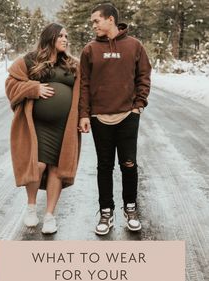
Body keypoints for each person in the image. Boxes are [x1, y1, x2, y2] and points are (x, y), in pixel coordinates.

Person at [79, 3, 151, 235]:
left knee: (128, 164)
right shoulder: (90, 49)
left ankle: (130, 209)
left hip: (127, 115)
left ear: (110, 20)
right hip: (100, 117)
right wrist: (84, 114)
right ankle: (106, 212)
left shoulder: (134, 46)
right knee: (104, 166)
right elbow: (84, 84)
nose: (94, 25)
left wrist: (138, 106)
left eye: (96, 21)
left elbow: (144, 76)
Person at [5, 23, 80, 234]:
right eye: (61, 36)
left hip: (63, 126)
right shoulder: (29, 60)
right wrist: (33, 88)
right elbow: (10, 84)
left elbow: (83, 92)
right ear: (50, 38)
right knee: (36, 164)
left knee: (57, 167)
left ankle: (49, 215)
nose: (66, 39)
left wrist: (83, 117)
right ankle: (31, 206)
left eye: (67, 36)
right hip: (36, 124)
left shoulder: (73, 64)